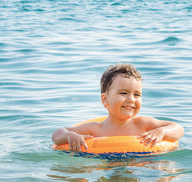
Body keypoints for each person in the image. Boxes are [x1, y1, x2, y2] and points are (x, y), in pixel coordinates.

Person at [52, 63, 184, 152]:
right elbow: (57, 134)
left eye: (137, 94)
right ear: (105, 99)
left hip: (143, 165)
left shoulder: (143, 124)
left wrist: (161, 132)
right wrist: (70, 135)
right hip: (105, 163)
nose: (131, 99)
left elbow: (177, 128)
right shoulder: (95, 129)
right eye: (123, 93)